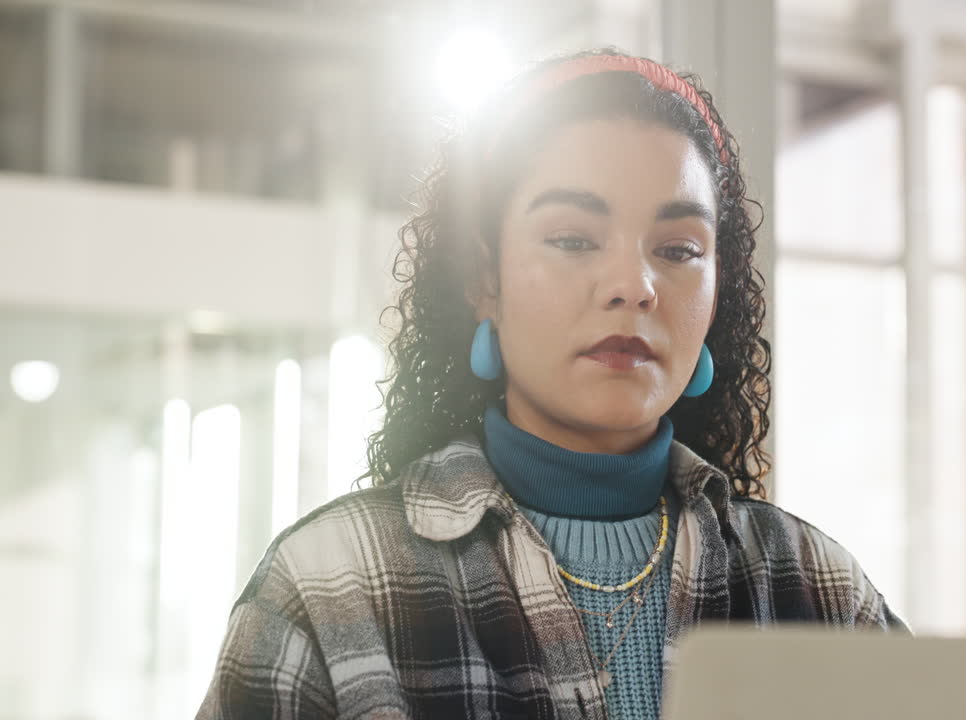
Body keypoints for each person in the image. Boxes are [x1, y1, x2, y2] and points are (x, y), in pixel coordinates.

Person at [198, 47, 906, 720]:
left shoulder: (816, 589)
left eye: (678, 250)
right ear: (484, 282)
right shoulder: (327, 591)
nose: (634, 286)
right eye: (573, 239)